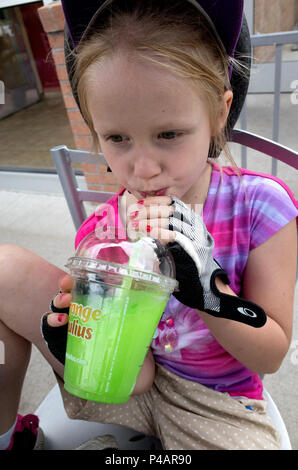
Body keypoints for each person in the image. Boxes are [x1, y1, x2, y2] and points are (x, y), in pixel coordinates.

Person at [0, 0, 297, 451]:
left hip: (221, 404)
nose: (143, 171)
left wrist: (207, 291)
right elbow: (138, 378)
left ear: (219, 113)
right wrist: (74, 343)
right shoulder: (102, 234)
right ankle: (10, 437)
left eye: (169, 134)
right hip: (133, 391)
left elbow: (271, 354)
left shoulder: (261, 206)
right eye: (117, 138)